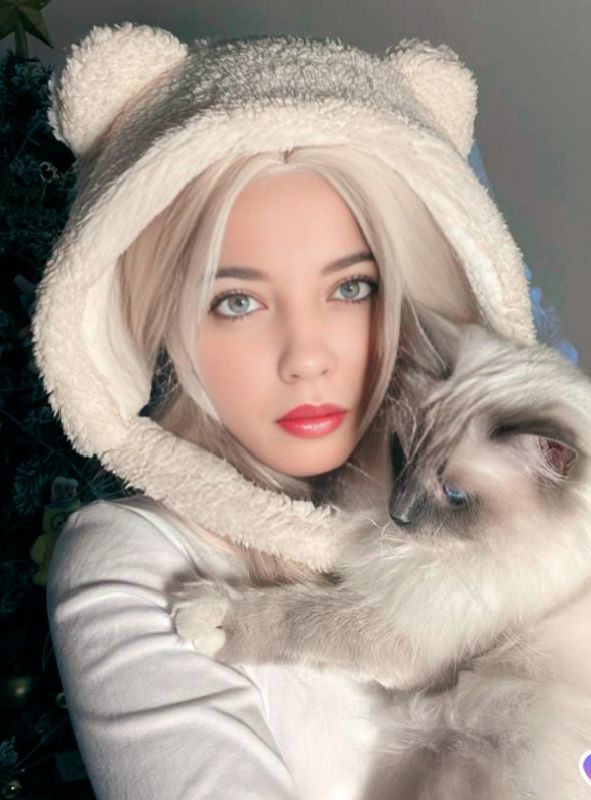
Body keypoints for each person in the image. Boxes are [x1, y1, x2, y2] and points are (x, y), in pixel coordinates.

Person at [33, 22, 537, 799]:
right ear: (167, 318)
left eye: (352, 288)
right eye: (237, 301)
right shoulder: (136, 559)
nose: (306, 355)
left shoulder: (520, 533)